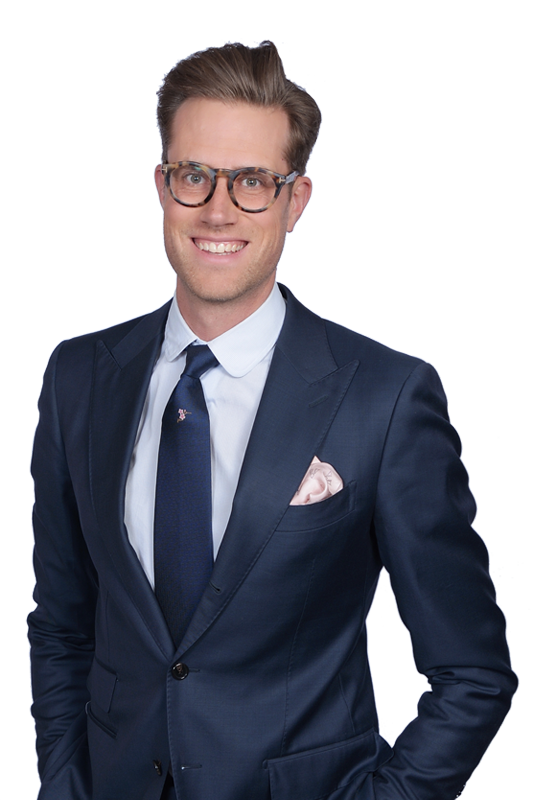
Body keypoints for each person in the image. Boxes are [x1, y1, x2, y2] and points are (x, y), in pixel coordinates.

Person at [28, 41, 517, 800]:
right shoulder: (79, 377)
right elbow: (64, 624)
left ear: (296, 199)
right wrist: (64, 783)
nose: (218, 209)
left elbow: (472, 672)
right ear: (162, 185)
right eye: (194, 175)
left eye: (253, 181)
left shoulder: (384, 397)